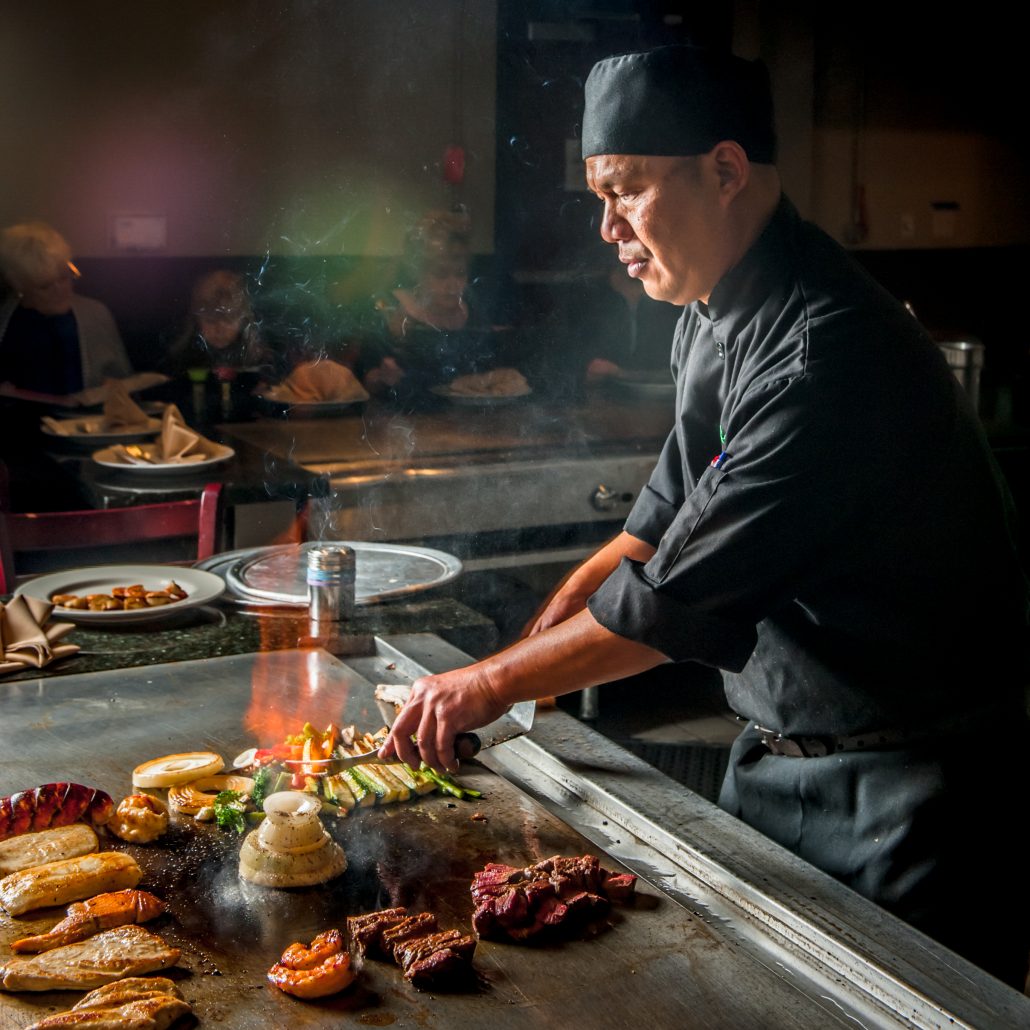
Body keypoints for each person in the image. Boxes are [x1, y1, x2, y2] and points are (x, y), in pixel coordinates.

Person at [380, 45, 1030, 987]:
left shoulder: (826, 355)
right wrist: (530, 677)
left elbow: (665, 608)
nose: (606, 226)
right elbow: (646, 533)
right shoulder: (711, 315)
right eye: (596, 195)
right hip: (769, 766)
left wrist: (480, 687)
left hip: (914, 798)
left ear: (726, 170)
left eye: (626, 190)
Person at [353, 209, 517, 400]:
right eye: (440, 274)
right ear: (417, 272)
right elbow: (364, 383)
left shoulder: (472, 308)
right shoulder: (389, 311)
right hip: (401, 421)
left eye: (460, 273)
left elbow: (484, 370)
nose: (453, 284)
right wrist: (381, 376)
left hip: (462, 421)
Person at [0, 222, 132, 395]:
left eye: (64, 277)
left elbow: (122, 379)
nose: (60, 289)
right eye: (45, 286)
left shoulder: (95, 314)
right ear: (21, 287)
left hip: (89, 419)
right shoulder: (7, 322)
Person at [162, 269, 272, 379]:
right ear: (197, 320)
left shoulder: (259, 358)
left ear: (243, 320)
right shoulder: (179, 359)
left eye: (229, 319)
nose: (220, 329)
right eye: (211, 320)